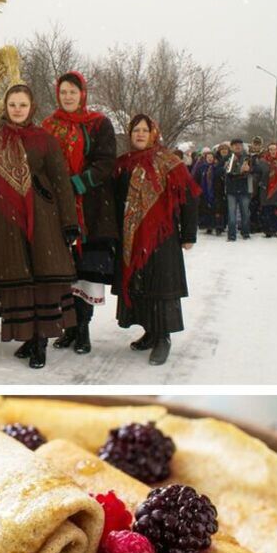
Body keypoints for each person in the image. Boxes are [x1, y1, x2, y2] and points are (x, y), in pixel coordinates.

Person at [0, 85, 79, 370]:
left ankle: (41, 342)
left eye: (22, 104)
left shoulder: (44, 139)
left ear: (31, 107)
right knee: (19, 281)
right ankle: (27, 336)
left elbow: (61, 182)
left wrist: (69, 222)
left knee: (42, 280)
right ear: (6, 107)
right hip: (5, 220)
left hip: (42, 217)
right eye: (13, 104)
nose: (18, 109)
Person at [112, 114, 198, 366]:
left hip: (163, 237)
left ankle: (164, 338)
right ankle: (150, 332)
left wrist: (188, 234)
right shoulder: (124, 164)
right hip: (132, 236)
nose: (139, 134)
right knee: (139, 284)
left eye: (144, 130)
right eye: (135, 130)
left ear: (153, 133)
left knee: (160, 286)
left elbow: (189, 197)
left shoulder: (169, 162)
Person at [42, 71, 117, 354]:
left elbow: (105, 161)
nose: (69, 97)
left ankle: (83, 329)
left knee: (86, 272)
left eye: (73, 92)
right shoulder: (49, 126)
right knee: (65, 272)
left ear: (82, 94)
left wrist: (77, 183)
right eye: (64, 92)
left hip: (92, 209)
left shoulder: (99, 124)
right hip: (59, 210)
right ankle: (69, 328)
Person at [222, 138, 254, 241]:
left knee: (245, 213)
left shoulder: (248, 157)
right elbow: (219, 171)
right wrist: (225, 168)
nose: (237, 146)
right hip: (231, 190)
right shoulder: (227, 157)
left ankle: (245, 233)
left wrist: (249, 169)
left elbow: (258, 169)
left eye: (239, 144)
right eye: (235, 145)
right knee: (231, 214)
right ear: (231, 147)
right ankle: (231, 235)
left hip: (244, 189)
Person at [193, 148, 220, 234]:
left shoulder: (216, 167)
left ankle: (217, 226)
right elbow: (196, 179)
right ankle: (207, 226)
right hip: (204, 191)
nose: (210, 158)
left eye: (211, 157)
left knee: (215, 209)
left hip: (215, 191)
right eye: (208, 157)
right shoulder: (201, 168)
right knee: (205, 209)